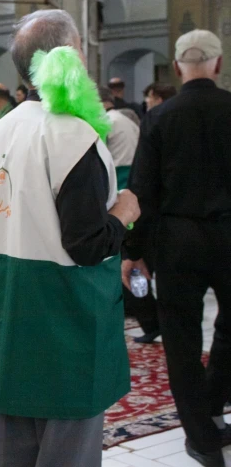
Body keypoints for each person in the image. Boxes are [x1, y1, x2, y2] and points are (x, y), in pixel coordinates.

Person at [0, 9, 140, 467]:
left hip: (12, 309)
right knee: (69, 450)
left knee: (19, 448)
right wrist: (125, 213)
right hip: (65, 317)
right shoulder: (71, 133)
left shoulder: (0, 130)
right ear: (70, 56)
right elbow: (87, 244)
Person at [123, 29, 231, 467]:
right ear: (218, 64)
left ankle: (202, 436)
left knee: (182, 340)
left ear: (178, 68)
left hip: (177, 242)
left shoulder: (160, 117)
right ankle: (212, 400)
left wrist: (134, 249)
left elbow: (142, 190)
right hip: (229, 236)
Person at [98, 87, 160, 343]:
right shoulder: (127, 120)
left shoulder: (104, 122)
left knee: (126, 260)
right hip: (136, 197)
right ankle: (150, 319)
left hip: (118, 198)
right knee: (133, 259)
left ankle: (151, 320)